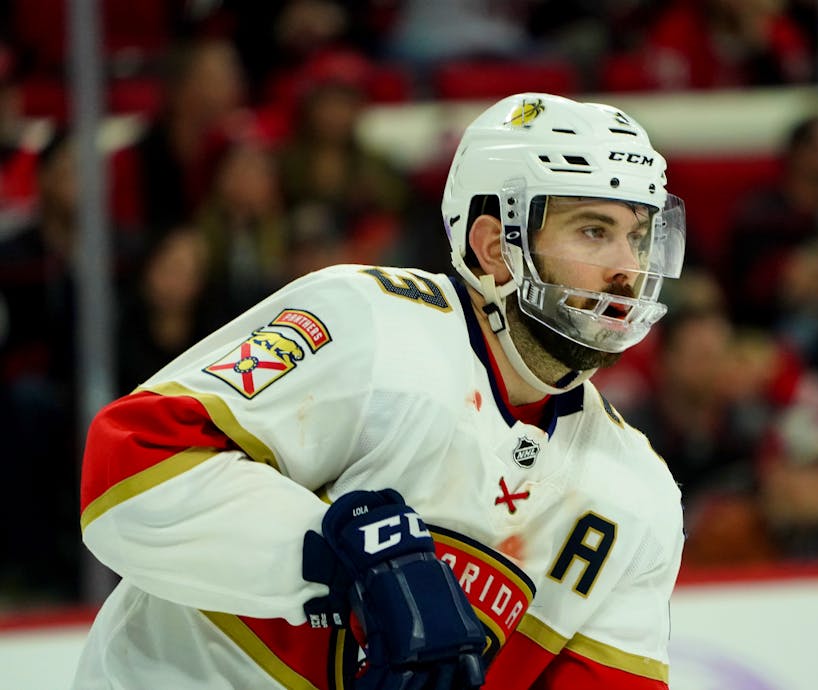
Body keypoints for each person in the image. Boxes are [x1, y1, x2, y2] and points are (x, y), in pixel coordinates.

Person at [74, 93, 688, 689]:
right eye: (593, 231)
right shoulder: (366, 321)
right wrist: (343, 562)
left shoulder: (637, 496)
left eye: (637, 237)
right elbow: (126, 470)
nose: (627, 268)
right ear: (496, 247)